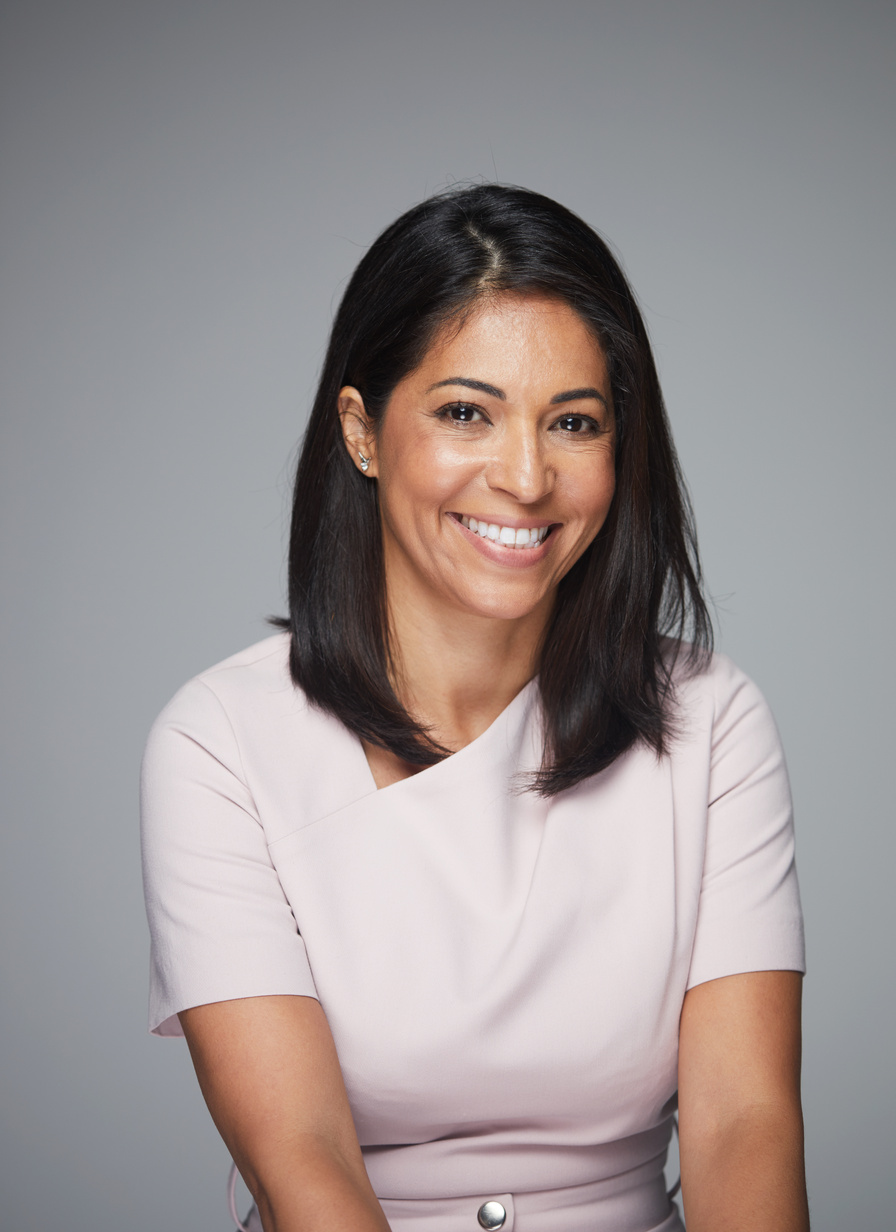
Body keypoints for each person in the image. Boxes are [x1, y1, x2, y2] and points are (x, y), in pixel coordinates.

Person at [141, 184, 809, 1232]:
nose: (526, 476)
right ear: (361, 433)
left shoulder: (710, 717)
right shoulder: (220, 742)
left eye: (573, 423)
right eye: (465, 412)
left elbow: (741, 1126)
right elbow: (300, 1164)